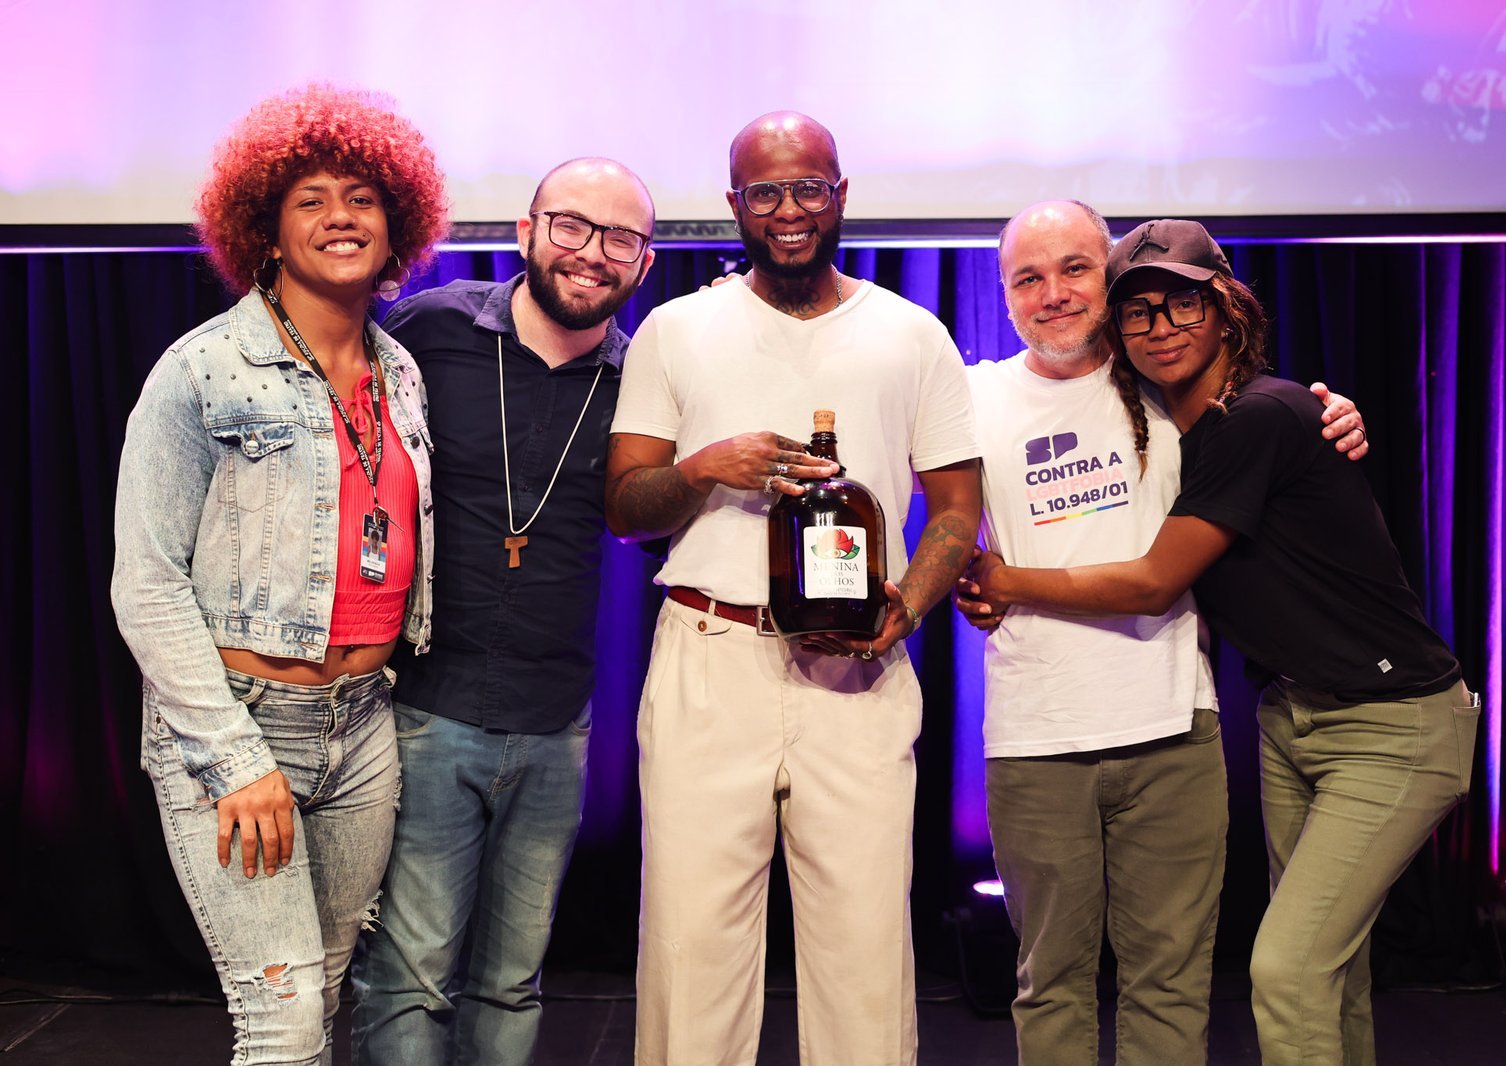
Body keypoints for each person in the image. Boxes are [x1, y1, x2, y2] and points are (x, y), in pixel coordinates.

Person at [962, 218, 1477, 1066]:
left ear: (1225, 308)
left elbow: (1157, 579)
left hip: (1274, 725)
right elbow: (909, 480)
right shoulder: (985, 394)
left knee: (1259, 973)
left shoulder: (1230, 410)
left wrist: (1006, 580)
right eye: (1027, 277)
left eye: (1076, 269)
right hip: (1240, 720)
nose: (1053, 293)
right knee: (1320, 970)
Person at [605, 111, 983, 1065]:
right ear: (734, 205)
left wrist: (907, 607)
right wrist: (704, 468)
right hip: (710, 654)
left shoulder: (912, 334)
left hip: (856, 667)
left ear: (840, 193)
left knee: (865, 955)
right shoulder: (676, 329)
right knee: (690, 950)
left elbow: (955, 510)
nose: (788, 211)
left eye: (808, 188)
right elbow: (626, 507)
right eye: (765, 193)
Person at [110, 83, 448, 1065]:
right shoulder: (202, 369)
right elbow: (146, 583)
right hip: (239, 721)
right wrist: (235, 759)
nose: (341, 217)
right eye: (311, 199)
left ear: (397, 223)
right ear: (264, 227)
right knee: (284, 1021)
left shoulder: (400, 372)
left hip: (364, 725)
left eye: (362, 198)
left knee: (322, 997)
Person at [350, 158, 656, 1065]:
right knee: (410, 979)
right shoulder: (430, 329)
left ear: (644, 264)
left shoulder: (641, 382)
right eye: (571, 225)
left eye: (620, 239)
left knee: (512, 983)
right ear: (526, 233)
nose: (592, 252)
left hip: (556, 720)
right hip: (424, 705)